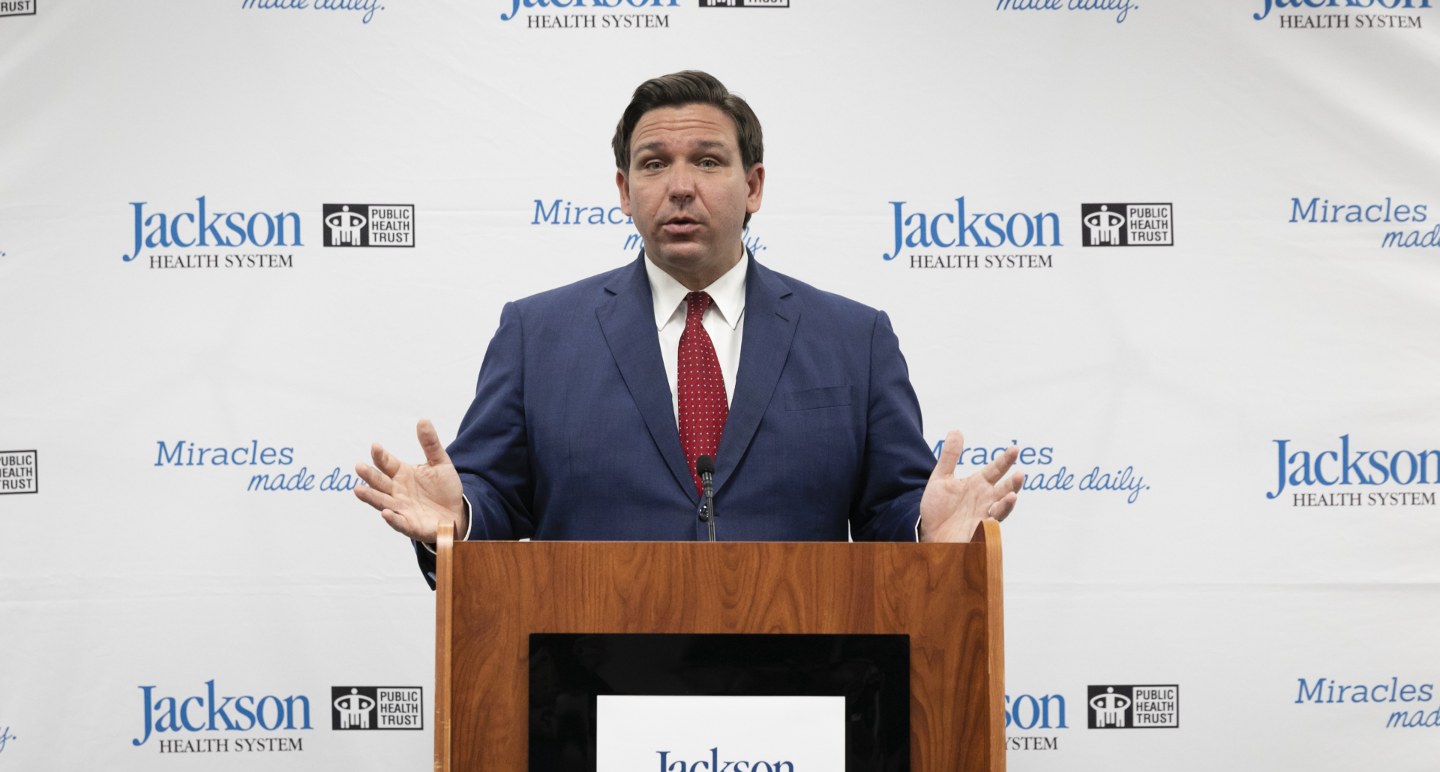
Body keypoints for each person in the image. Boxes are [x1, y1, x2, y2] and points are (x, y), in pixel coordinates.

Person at [355, 71, 1022, 584]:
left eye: (707, 161)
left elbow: (891, 512)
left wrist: (924, 532)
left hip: (801, 693)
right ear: (623, 190)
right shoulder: (539, 334)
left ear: (753, 185)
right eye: (653, 164)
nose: (679, 186)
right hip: (590, 696)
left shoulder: (853, 338)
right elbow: (493, 500)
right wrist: (458, 523)